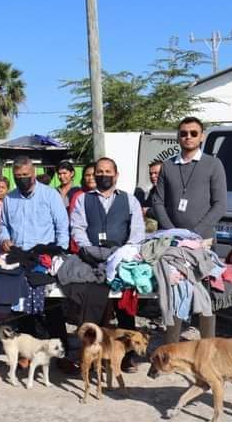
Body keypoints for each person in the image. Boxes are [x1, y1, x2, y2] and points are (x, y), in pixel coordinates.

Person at [152, 116, 227, 344]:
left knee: (203, 295)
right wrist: (174, 233)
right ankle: (172, 348)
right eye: (183, 133)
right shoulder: (168, 166)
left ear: (202, 136)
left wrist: (194, 234)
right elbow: (158, 202)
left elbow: (219, 205)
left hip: (202, 242)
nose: (188, 137)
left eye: (193, 133)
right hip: (173, 242)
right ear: (178, 136)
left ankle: (208, 348)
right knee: (173, 290)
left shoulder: (213, 164)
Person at [69, 157, 146, 371]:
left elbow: (137, 231)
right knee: (93, 300)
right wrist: (89, 250)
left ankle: (127, 356)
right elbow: (78, 228)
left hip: (121, 257)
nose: (104, 175)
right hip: (91, 257)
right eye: (100, 172)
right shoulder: (84, 199)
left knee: (125, 307)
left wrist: (125, 252)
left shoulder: (130, 200)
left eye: (108, 171)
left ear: (116, 175)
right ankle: (93, 353)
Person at [0, 156, 73, 371]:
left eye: (26, 175)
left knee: (52, 308)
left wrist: (58, 253)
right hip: (19, 257)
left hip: (44, 257)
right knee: (22, 309)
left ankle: (62, 354)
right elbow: (3, 225)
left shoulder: (50, 195)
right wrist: (4, 238)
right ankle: (27, 354)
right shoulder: (9, 198)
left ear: (33, 173)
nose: (22, 179)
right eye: (18, 176)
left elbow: (62, 226)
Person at [68, 162, 97, 253]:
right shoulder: (78, 196)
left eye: (94, 175)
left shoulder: (107, 195)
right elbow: (74, 222)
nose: (91, 178)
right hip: (81, 246)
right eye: (87, 175)